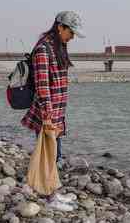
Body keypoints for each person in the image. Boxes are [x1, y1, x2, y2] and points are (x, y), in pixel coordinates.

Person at [21, 11, 85, 169]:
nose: (72, 37)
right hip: (48, 114)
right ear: (60, 27)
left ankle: (49, 188)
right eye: (71, 32)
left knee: (54, 155)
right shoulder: (43, 49)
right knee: (50, 156)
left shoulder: (59, 47)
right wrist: (48, 118)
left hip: (57, 113)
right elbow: (42, 86)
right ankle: (45, 190)